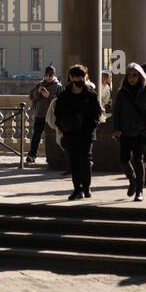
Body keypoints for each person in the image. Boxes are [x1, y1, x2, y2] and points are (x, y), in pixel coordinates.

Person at [53, 64, 103, 199]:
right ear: (71, 77)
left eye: (81, 76)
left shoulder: (90, 94)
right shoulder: (64, 95)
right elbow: (58, 114)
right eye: (75, 77)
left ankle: (86, 187)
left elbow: (97, 113)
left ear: (85, 77)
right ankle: (77, 189)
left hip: (86, 133)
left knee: (85, 160)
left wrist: (92, 127)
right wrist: (63, 128)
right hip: (70, 133)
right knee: (74, 161)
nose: (78, 79)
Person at [111, 63, 146, 202]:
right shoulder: (122, 91)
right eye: (129, 75)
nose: (132, 78)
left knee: (138, 160)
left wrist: (145, 118)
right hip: (125, 130)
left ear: (140, 76)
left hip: (140, 131)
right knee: (123, 159)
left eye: (135, 75)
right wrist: (116, 128)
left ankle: (139, 190)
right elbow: (116, 112)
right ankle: (132, 180)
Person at [26, 66, 61, 164]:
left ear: (54, 75)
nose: (48, 77)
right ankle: (32, 155)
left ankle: (53, 156)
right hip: (39, 114)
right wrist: (38, 92)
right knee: (36, 136)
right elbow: (31, 96)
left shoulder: (58, 86)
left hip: (51, 115)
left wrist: (49, 96)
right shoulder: (39, 85)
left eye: (50, 75)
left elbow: (60, 100)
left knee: (51, 136)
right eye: (47, 75)